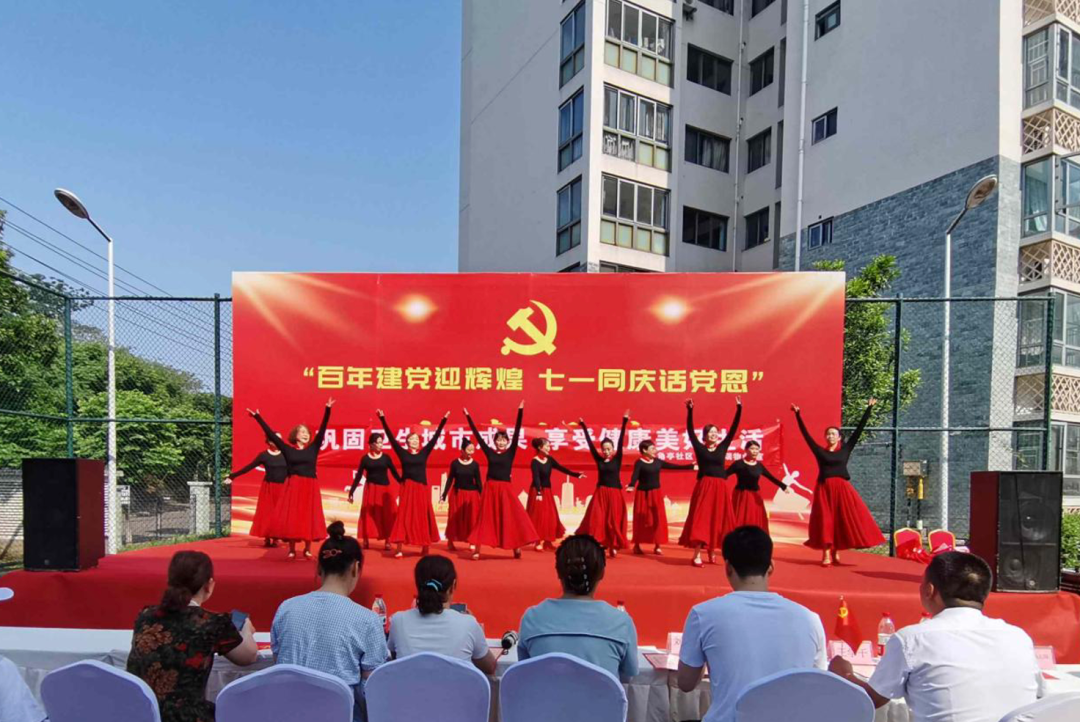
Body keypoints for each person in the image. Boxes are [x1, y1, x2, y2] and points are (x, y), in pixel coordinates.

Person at [829, 551, 1044, 722]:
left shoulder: (912, 639)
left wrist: (845, 674)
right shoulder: (1018, 637)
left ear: (929, 590)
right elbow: (1040, 696)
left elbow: (871, 700)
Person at [677, 527, 826, 722]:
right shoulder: (810, 619)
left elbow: (686, 683)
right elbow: (817, 683)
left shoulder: (704, 614)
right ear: (771, 567)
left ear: (728, 567)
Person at [272, 522, 389, 722]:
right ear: (356, 568)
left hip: (290, 713)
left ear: (319, 568)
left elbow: (279, 662)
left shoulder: (286, 609)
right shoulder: (367, 620)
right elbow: (372, 686)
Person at [127, 551, 258, 722]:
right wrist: (246, 629)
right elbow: (248, 656)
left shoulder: (145, 615)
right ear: (209, 585)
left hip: (139, 714)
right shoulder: (213, 623)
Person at [518, 534, 639, 682]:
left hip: (545, 697)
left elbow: (525, 668)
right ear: (602, 573)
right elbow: (628, 675)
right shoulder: (621, 622)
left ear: (558, 572)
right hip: (599, 697)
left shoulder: (532, 618)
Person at [791, 398, 885, 566]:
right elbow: (806, 436)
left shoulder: (846, 449)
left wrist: (869, 409)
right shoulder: (820, 451)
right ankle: (826, 553)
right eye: (828, 434)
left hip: (841, 489)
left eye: (833, 434)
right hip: (824, 489)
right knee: (826, 521)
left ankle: (836, 550)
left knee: (842, 519)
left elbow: (858, 430)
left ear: (839, 437)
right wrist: (798, 415)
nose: (830, 436)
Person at [248, 398, 335, 559]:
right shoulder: (288, 450)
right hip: (294, 485)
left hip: (310, 486)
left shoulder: (313, 448)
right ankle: (292, 548)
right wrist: (258, 417)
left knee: (308, 516)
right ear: (295, 435)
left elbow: (323, 429)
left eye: (307, 433)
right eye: (302, 432)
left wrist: (327, 410)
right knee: (293, 517)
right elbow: (272, 436)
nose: (306, 435)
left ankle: (307, 548)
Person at [387, 555, 498, 675]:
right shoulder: (469, 624)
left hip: (410, 687)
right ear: (452, 586)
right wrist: (477, 632)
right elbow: (490, 667)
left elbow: (396, 660)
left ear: (418, 585)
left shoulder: (398, 621)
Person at [465, 403, 539, 560]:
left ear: (507, 442)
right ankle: (477, 549)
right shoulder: (489, 452)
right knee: (485, 518)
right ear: (495, 441)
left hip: (505, 489)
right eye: (498, 440)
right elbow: (477, 436)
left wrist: (520, 411)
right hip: (491, 488)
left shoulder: (510, 452)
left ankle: (516, 547)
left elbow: (517, 432)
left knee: (510, 517)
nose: (501, 442)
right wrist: (468, 417)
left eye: (504, 440)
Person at [378, 409, 449, 558]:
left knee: (422, 516)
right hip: (407, 487)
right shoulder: (402, 453)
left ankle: (425, 546)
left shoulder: (424, 452)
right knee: (403, 516)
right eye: (412, 439)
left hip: (421, 488)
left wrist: (443, 420)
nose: (415, 441)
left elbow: (435, 437)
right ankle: (399, 547)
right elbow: (391, 438)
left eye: (417, 439)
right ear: (407, 442)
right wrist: (383, 419)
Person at [680, 398, 742, 567]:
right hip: (705, 486)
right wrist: (690, 411)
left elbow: (734, 429)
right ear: (705, 436)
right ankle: (696, 555)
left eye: (716, 432)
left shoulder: (722, 447)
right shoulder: (700, 448)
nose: (714, 434)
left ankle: (712, 550)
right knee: (702, 519)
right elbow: (690, 431)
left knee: (718, 518)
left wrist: (739, 408)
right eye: (710, 432)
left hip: (720, 486)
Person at [575, 412, 630, 558]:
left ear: (613, 449)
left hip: (614, 493)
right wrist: (583, 425)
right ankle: (599, 544)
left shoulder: (617, 459)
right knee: (597, 519)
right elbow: (589, 444)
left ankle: (613, 545)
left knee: (613, 521)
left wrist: (624, 421)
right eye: (604, 449)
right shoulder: (599, 460)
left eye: (608, 449)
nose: (606, 451)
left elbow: (621, 440)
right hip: (600, 493)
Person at [626, 440, 695, 555]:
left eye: (655, 448)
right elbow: (635, 475)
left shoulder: (657, 462)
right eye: (652, 449)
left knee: (657, 518)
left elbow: (673, 466)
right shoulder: (639, 462)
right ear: (644, 450)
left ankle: (657, 545)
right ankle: (637, 545)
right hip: (642, 495)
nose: (655, 451)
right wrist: (631, 485)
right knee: (641, 519)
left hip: (655, 494)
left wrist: (690, 466)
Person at [228, 434, 289, 547]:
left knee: (280, 512)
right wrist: (233, 476)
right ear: (269, 441)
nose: (277, 441)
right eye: (274, 439)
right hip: (269, 487)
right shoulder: (264, 455)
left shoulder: (286, 454)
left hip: (283, 488)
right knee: (267, 512)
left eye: (279, 439)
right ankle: (267, 537)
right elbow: (249, 467)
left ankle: (276, 537)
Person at [348, 432, 402, 550]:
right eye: (378, 442)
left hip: (385, 490)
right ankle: (366, 539)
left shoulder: (386, 457)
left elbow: (394, 473)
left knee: (387, 514)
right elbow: (359, 475)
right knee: (368, 514)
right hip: (371, 489)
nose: (380, 445)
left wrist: (403, 483)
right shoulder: (365, 458)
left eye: (381, 442)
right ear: (371, 444)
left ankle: (388, 540)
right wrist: (351, 491)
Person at [527, 437, 583, 551]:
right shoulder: (534, 461)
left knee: (550, 516)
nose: (549, 448)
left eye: (549, 446)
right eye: (547, 446)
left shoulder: (549, 459)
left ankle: (548, 541)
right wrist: (538, 492)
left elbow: (561, 468)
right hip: (537, 491)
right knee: (539, 517)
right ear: (540, 448)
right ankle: (538, 541)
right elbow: (536, 477)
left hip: (547, 491)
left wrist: (576, 475)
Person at [726, 440, 789, 534]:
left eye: (757, 449)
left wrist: (783, 486)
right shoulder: (738, 464)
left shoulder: (759, 466)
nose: (755, 451)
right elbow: (724, 474)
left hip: (755, 495)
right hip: (741, 495)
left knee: (754, 517)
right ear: (746, 450)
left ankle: (755, 536)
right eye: (752, 449)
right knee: (740, 518)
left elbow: (771, 477)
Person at [441, 438, 483, 552]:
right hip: (457, 494)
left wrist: (482, 495)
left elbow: (478, 481)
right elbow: (450, 479)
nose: (471, 452)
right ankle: (450, 541)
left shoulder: (475, 465)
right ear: (462, 450)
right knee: (453, 518)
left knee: (472, 518)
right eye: (469, 449)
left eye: (472, 449)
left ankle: (472, 542)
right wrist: (444, 494)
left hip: (472, 495)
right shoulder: (455, 463)